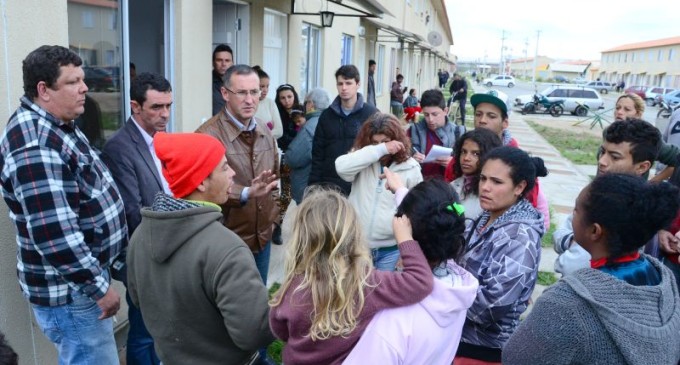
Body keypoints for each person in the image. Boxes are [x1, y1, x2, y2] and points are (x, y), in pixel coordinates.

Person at [0, 45, 126, 364]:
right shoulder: (34, 146)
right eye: (73, 82)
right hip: (73, 296)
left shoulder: (59, 123)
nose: (85, 88)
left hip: (81, 287)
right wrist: (98, 288)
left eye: (82, 79)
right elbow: (55, 235)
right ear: (44, 90)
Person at [127, 132, 274, 365]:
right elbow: (254, 333)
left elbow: (138, 300)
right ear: (201, 182)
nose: (233, 173)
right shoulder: (227, 249)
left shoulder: (140, 236)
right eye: (225, 167)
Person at [504, 174, 680, 365]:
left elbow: (516, 358)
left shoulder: (567, 303)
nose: (572, 216)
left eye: (576, 210)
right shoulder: (664, 281)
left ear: (595, 231)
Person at [268, 187, 434, 365]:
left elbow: (280, 331)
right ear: (354, 234)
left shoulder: (292, 289)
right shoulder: (369, 284)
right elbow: (421, 281)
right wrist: (405, 238)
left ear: (301, 239)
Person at [343, 179, 478, 365]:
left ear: (404, 232)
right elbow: (428, 218)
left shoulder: (392, 319)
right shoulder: (458, 289)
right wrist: (400, 191)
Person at [101, 72, 173, 365]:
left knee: (159, 331)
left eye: (168, 105)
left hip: (165, 250)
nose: (165, 114)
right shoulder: (119, 147)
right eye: (156, 107)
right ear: (135, 106)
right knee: (144, 333)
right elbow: (134, 211)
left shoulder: (162, 137)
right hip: (144, 256)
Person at [456, 146, 547, 364]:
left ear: (519, 187)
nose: (485, 187)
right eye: (483, 178)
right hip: (459, 339)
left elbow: (489, 308)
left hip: (483, 351)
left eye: (497, 182)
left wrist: (441, 293)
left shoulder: (519, 237)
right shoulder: (487, 215)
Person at [196, 64, 279, 287]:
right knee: (230, 310)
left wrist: (275, 219)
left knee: (257, 302)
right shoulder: (207, 135)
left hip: (263, 239)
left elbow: (279, 176)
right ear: (225, 94)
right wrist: (245, 192)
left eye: (254, 92)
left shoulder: (264, 129)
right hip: (227, 242)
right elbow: (202, 191)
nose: (250, 99)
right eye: (241, 92)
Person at [553, 119, 661, 276]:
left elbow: (570, 266)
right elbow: (561, 233)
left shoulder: (630, 208)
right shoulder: (595, 191)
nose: (602, 161)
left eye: (615, 157)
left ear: (642, 167)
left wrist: (577, 245)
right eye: (603, 152)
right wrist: (572, 241)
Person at [445, 91, 550, 229]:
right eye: (478, 114)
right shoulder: (459, 159)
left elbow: (539, 215)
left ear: (505, 122)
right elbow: (449, 200)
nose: (482, 120)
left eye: (491, 116)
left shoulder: (518, 163)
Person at [336, 113, 423, 271]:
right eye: (375, 143)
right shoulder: (362, 158)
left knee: (382, 294)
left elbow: (417, 212)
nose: (382, 148)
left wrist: (407, 251)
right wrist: (381, 149)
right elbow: (341, 168)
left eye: (385, 142)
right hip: (357, 246)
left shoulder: (411, 167)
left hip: (390, 250)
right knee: (356, 293)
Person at [308, 64, 378, 196]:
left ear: (358, 84)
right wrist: (313, 188)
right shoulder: (326, 116)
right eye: (340, 83)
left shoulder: (372, 115)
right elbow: (317, 155)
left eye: (348, 83)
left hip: (360, 186)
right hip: (330, 187)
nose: (344, 88)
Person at [286, 88, 331, 205]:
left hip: (307, 188)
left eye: (306, 103)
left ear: (310, 104)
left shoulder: (309, 127)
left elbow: (292, 158)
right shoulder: (330, 122)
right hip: (326, 186)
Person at [450, 129, 503, 220]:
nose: (466, 158)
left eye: (475, 154)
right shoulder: (453, 186)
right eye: (464, 152)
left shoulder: (492, 193)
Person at [409, 89, 461, 179]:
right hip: (420, 185)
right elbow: (402, 155)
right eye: (426, 115)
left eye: (435, 114)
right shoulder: (414, 130)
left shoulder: (459, 132)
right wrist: (411, 157)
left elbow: (469, 165)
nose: (430, 119)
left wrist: (454, 164)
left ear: (445, 111)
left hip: (448, 187)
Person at [253, 66, 283, 139]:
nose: (265, 90)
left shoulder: (270, 103)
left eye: (267, 86)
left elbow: (279, 131)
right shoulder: (247, 103)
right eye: (262, 86)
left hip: (269, 147)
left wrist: (262, 136)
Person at [274, 83, 301, 150]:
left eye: (289, 97)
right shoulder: (276, 114)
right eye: (283, 98)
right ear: (279, 100)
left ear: (294, 96)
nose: (286, 101)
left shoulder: (302, 112)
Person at [212, 44, 234, 115]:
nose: (223, 64)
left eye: (227, 60)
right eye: (219, 60)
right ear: (213, 62)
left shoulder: (238, 82)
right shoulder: (206, 82)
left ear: (232, 63)